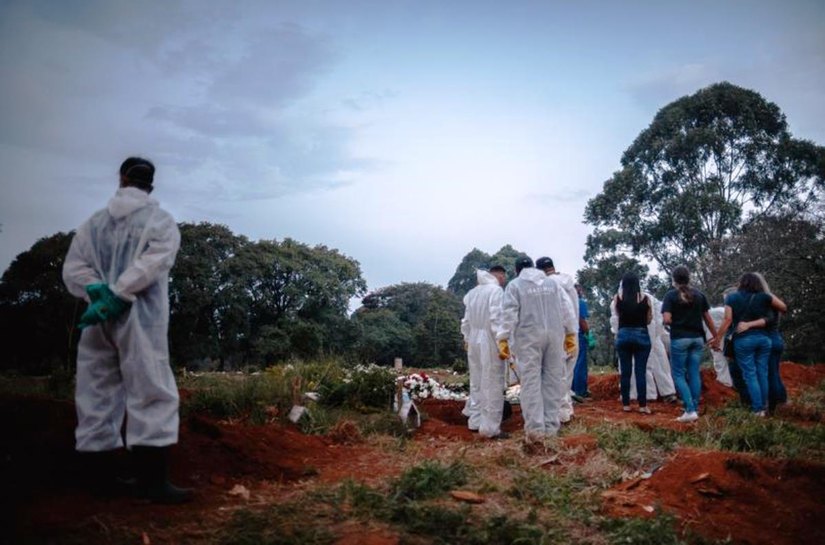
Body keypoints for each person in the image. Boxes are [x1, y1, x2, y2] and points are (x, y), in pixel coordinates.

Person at [63, 157, 191, 503]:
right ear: (152, 184)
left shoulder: (94, 223)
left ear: (121, 178)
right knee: (150, 388)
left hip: (97, 318)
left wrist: (96, 291)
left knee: (96, 390)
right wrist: (120, 294)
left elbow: (74, 266)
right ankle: (152, 483)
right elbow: (153, 264)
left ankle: (99, 481)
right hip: (141, 318)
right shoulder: (160, 222)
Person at [498, 256, 576, 442]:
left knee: (531, 383)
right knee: (552, 381)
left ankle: (535, 430)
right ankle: (551, 427)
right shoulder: (552, 284)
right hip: (555, 336)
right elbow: (566, 308)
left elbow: (509, 313)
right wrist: (571, 332)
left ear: (517, 271)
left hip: (528, 339)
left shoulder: (515, 286)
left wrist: (503, 338)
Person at [713, 273, 787, 416]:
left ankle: (758, 409)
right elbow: (782, 309)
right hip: (764, 340)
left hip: (744, 341)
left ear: (741, 283)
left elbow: (728, 319)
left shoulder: (731, 297)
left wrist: (718, 339)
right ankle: (766, 407)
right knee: (763, 374)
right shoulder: (765, 297)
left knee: (750, 375)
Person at [662, 265, 717, 423]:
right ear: (689, 278)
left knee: (678, 374)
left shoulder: (671, 296)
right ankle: (694, 407)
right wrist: (715, 337)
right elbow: (708, 318)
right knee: (694, 372)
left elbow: (666, 319)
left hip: (679, 338)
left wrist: (670, 324)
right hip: (698, 339)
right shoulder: (699, 295)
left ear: (674, 280)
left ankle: (690, 409)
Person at [460, 266, 507, 438]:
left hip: (473, 338)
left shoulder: (472, 293)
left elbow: (465, 321)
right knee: (492, 382)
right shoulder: (496, 291)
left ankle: (475, 420)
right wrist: (501, 341)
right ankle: (490, 428)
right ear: (499, 276)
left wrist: (466, 338)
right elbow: (496, 319)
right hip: (489, 339)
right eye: (504, 277)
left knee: (477, 381)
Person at [535, 257, 579, 422]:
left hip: (555, 333)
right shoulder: (569, 283)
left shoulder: (548, 285)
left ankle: (557, 412)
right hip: (572, 333)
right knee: (566, 374)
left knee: (554, 374)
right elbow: (571, 310)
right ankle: (566, 410)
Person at [613, 272, 653, 414]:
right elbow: (649, 319)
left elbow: (617, 315)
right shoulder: (645, 299)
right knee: (640, 371)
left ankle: (626, 404)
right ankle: (642, 405)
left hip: (623, 335)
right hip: (641, 335)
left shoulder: (618, 298)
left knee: (625, 372)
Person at [571, 283, 591, 399]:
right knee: (580, 363)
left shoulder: (565, 302)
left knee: (571, 363)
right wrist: (588, 334)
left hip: (567, 335)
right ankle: (580, 391)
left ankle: (572, 389)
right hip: (578, 334)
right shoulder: (580, 303)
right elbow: (582, 320)